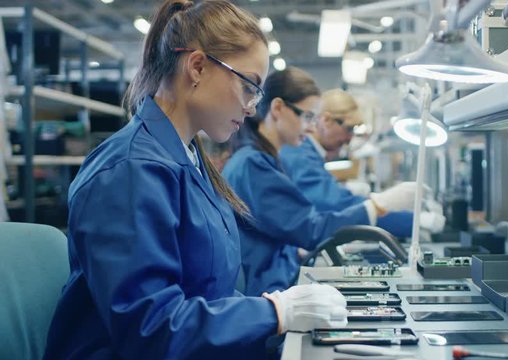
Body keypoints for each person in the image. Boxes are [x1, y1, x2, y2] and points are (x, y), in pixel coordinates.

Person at [43, 2, 347, 359]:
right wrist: (274, 313)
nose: (251, 107)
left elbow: (209, 291)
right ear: (198, 66)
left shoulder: (188, 159)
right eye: (249, 86)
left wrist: (270, 316)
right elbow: (151, 329)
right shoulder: (130, 172)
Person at [222, 67, 417, 296]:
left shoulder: (261, 160)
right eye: (307, 117)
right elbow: (311, 229)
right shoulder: (252, 166)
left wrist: (295, 251)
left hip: (273, 282)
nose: (313, 127)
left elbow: (282, 228)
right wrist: (377, 207)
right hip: (265, 295)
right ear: (278, 108)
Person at [279, 88, 446, 238]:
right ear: (326, 120)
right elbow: (336, 206)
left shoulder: (308, 154)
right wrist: (415, 220)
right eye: (349, 128)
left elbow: (338, 201)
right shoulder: (300, 155)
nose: (350, 138)